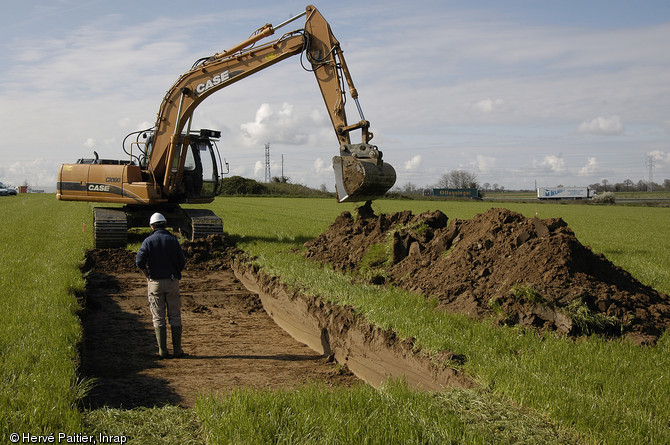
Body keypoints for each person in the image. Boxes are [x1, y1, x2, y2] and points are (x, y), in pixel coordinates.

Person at [135, 212, 187, 358]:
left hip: (155, 283)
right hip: (172, 282)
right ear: (165, 224)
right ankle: (177, 350)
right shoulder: (173, 240)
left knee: (158, 317)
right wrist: (175, 273)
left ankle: (162, 351)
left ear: (152, 226)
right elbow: (182, 261)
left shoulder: (148, 241)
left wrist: (147, 274)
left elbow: (139, 261)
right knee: (175, 315)